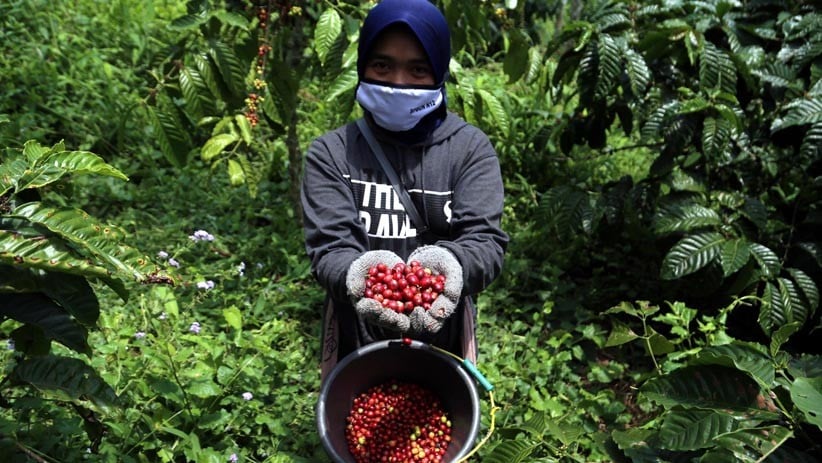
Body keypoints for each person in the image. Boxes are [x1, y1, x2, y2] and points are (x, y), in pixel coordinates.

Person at [300, 0, 508, 381]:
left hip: (442, 332)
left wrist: (453, 267)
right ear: (362, 66)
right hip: (356, 336)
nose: (398, 82)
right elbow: (328, 248)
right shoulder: (331, 153)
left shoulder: (469, 149)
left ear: (440, 71)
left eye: (418, 69)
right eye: (382, 66)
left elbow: (485, 243)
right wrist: (357, 274)